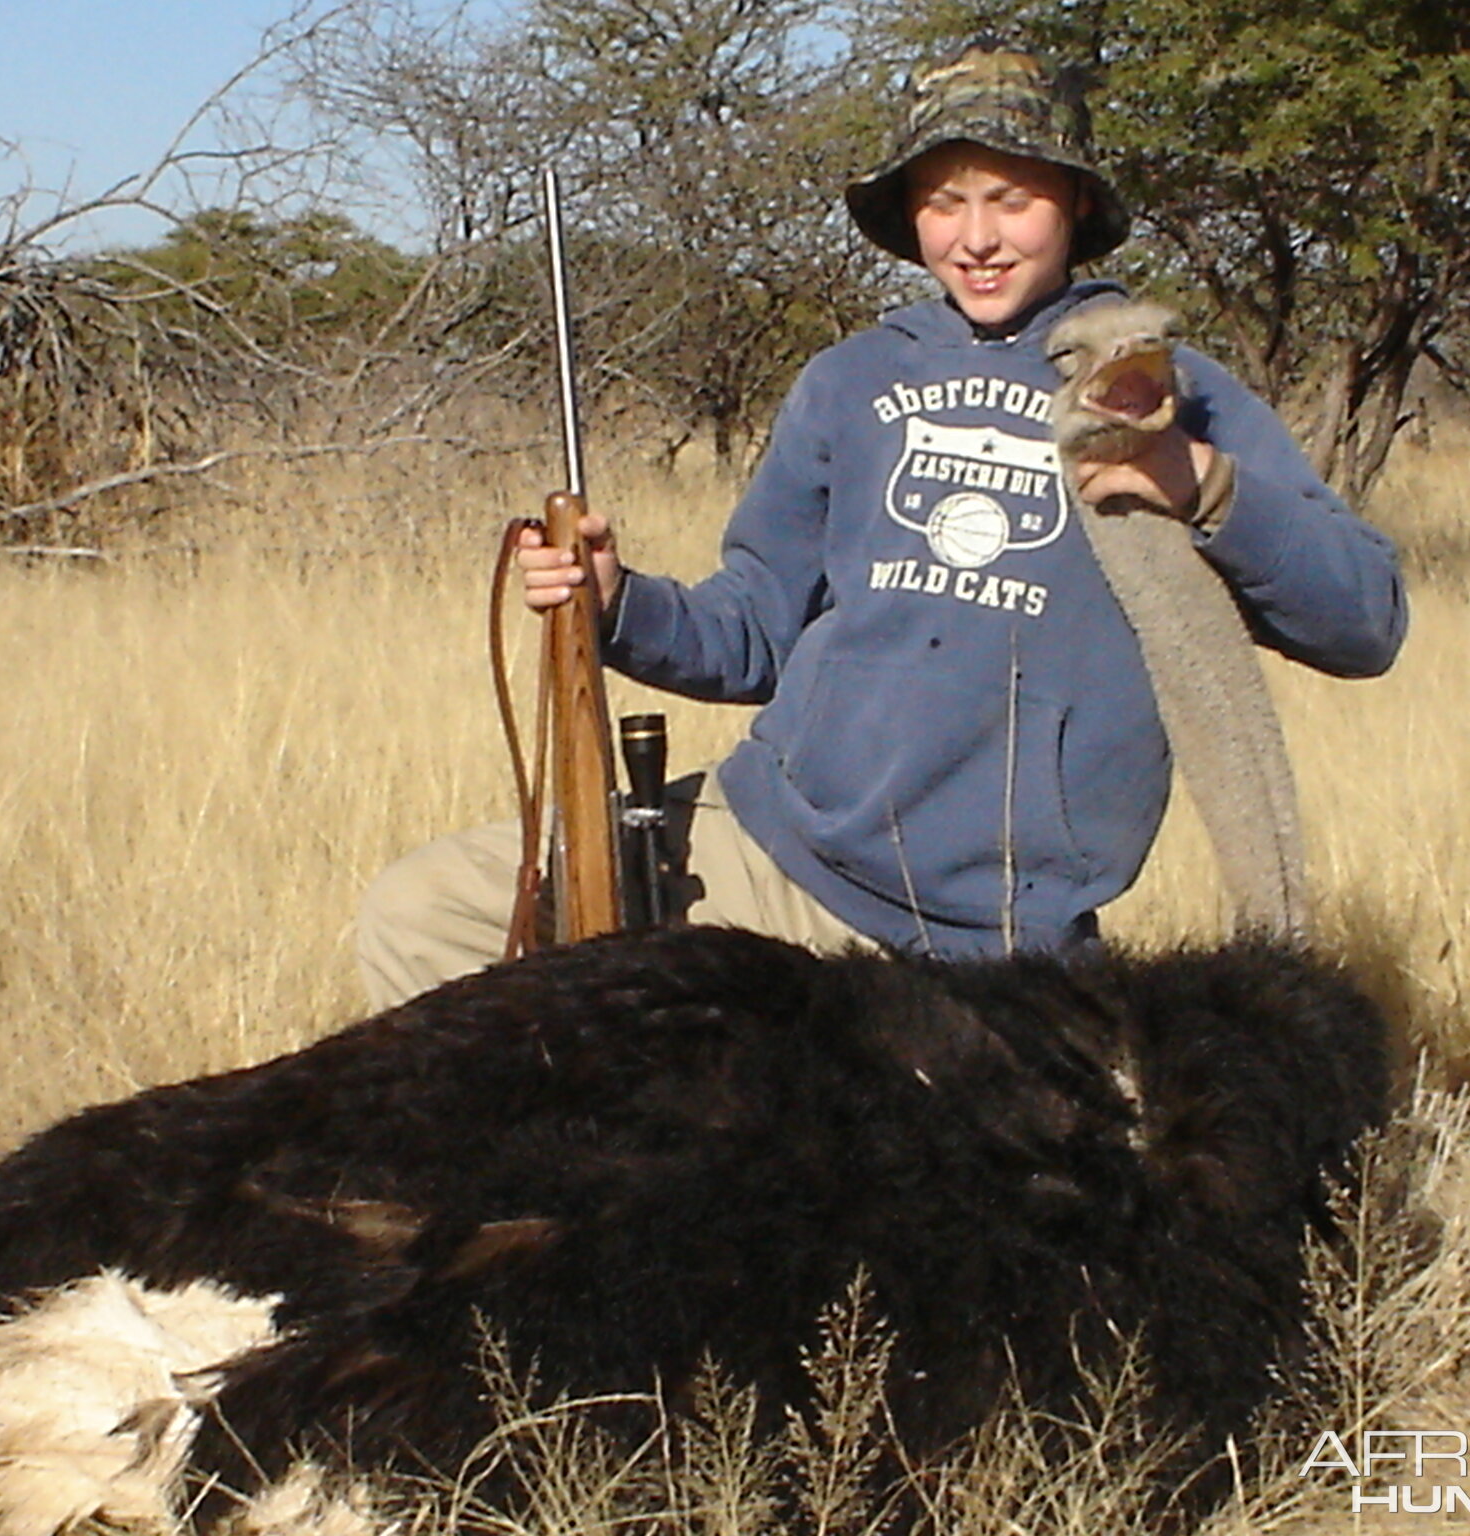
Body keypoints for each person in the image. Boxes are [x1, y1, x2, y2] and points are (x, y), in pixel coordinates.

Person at [356, 42, 1407, 1011]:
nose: (976, 237)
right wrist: (616, 602)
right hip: (767, 856)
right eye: (944, 203)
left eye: (1010, 199)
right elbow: (752, 630)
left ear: (1075, 203)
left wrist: (1198, 481)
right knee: (420, 914)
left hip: (995, 951)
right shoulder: (849, 381)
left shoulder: (1164, 388)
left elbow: (1363, 621)